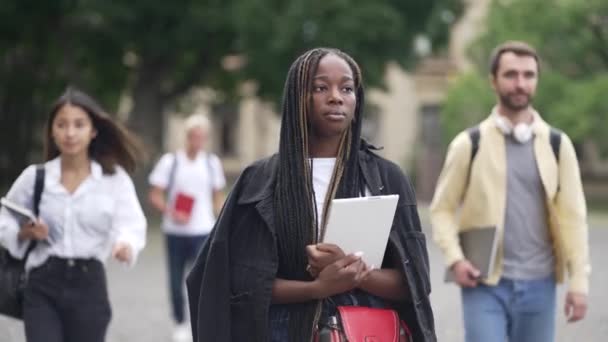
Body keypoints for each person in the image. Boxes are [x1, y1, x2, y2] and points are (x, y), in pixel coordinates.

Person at [186, 47, 435, 342]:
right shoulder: (260, 183)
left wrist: (354, 273)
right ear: (296, 99)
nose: (336, 97)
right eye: (320, 87)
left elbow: (413, 283)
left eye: (347, 88)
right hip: (281, 331)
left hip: (364, 331)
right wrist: (317, 288)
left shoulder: (386, 178)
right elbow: (241, 284)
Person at [430, 41, 590, 342]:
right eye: (511, 74)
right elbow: (442, 208)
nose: (520, 83)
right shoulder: (469, 143)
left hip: (540, 286)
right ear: (493, 80)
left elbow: (574, 218)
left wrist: (578, 283)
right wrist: (455, 259)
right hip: (484, 284)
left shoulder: (558, 145)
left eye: (529, 75)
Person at [0, 87, 147, 342]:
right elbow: (5, 216)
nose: (70, 133)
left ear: (93, 130)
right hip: (41, 284)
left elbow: (131, 223)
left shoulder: (114, 180)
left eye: (79, 125)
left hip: (89, 285)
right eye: (62, 125)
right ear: (52, 132)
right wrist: (24, 233)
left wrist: (126, 244)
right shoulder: (36, 177)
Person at [148, 113, 226, 342]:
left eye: (202, 137)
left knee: (201, 280)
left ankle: (200, 323)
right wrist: (172, 212)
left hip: (202, 230)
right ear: (187, 137)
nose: (198, 141)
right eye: (194, 136)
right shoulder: (171, 162)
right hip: (175, 232)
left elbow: (217, 198)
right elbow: (154, 195)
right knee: (175, 280)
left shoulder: (211, 164)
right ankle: (180, 322)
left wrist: (224, 219)